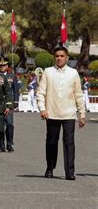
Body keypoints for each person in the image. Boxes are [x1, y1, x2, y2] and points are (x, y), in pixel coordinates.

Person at [37, 45, 86, 180]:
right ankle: (50, 168)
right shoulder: (48, 72)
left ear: (67, 58)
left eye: (62, 56)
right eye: (57, 56)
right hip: (51, 113)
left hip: (69, 114)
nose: (59, 58)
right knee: (51, 142)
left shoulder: (73, 73)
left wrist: (82, 115)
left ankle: (69, 172)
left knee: (69, 143)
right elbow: (40, 93)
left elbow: (78, 95)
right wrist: (42, 108)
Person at [0, 58, 20, 152]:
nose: (2, 67)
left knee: (9, 124)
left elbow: (15, 89)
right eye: (1, 65)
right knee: (0, 125)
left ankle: (9, 143)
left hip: (9, 103)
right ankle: (1, 144)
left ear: (7, 66)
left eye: (4, 65)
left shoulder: (12, 76)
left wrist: (16, 102)